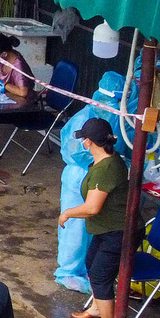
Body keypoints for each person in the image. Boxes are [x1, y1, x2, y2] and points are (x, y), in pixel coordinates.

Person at [53, 72, 125, 293]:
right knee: (75, 227)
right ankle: (68, 271)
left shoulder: (113, 116)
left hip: (94, 172)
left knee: (90, 228)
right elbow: (73, 149)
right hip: (79, 175)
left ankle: (85, 268)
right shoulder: (87, 118)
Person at [62, 118, 129, 318]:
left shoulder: (106, 170)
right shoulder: (107, 161)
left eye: (83, 139)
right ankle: (98, 308)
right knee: (92, 263)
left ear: (88, 142)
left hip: (118, 232)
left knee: (100, 275)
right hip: (107, 229)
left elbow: (92, 207)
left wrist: (67, 213)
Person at [0, 34, 54, 169]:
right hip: (7, 102)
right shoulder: (4, 61)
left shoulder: (19, 66)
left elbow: (23, 92)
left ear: (4, 54)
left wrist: (0, 84)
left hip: (23, 109)